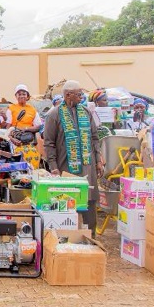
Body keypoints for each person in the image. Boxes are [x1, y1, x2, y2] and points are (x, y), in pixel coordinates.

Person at [43, 80, 104, 234]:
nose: (81, 97)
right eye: (78, 94)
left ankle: (91, 238)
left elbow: (94, 138)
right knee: (67, 204)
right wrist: (54, 167)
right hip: (65, 169)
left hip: (87, 169)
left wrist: (98, 160)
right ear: (68, 95)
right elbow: (49, 143)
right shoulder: (54, 115)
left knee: (89, 204)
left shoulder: (86, 112)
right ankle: (66, 238)